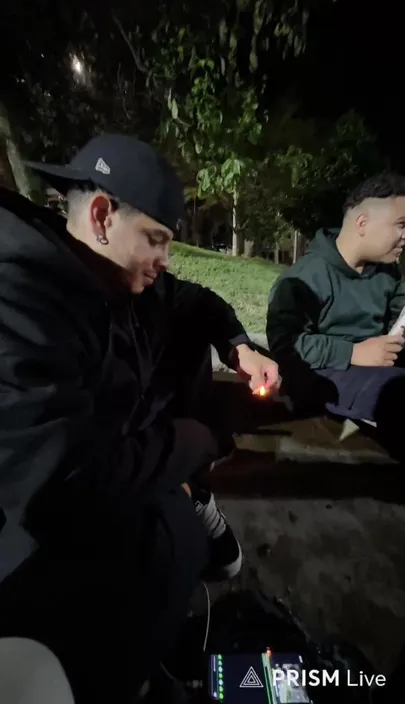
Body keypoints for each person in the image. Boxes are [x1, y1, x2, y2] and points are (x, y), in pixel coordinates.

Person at [0, 134, 279, 701]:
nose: (165, 260)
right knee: (167, 552)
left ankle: (182, 505)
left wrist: (239, 346)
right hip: (32, 531)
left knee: (189, 337)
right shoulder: (22, 296)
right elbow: (62, 483)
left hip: (110, 448)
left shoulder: (114, 273)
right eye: (156, 240)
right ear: (102, 215)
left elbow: (194, 301)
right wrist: (197, 441)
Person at [266, 172, 405, 460]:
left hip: (378, 367)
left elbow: (398, 314)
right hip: (324, 374)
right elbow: (285, 344)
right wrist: (353, 352)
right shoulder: (305, 277)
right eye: (401, 226)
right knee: (397, 393)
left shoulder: (388, 273)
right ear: (363, 223)